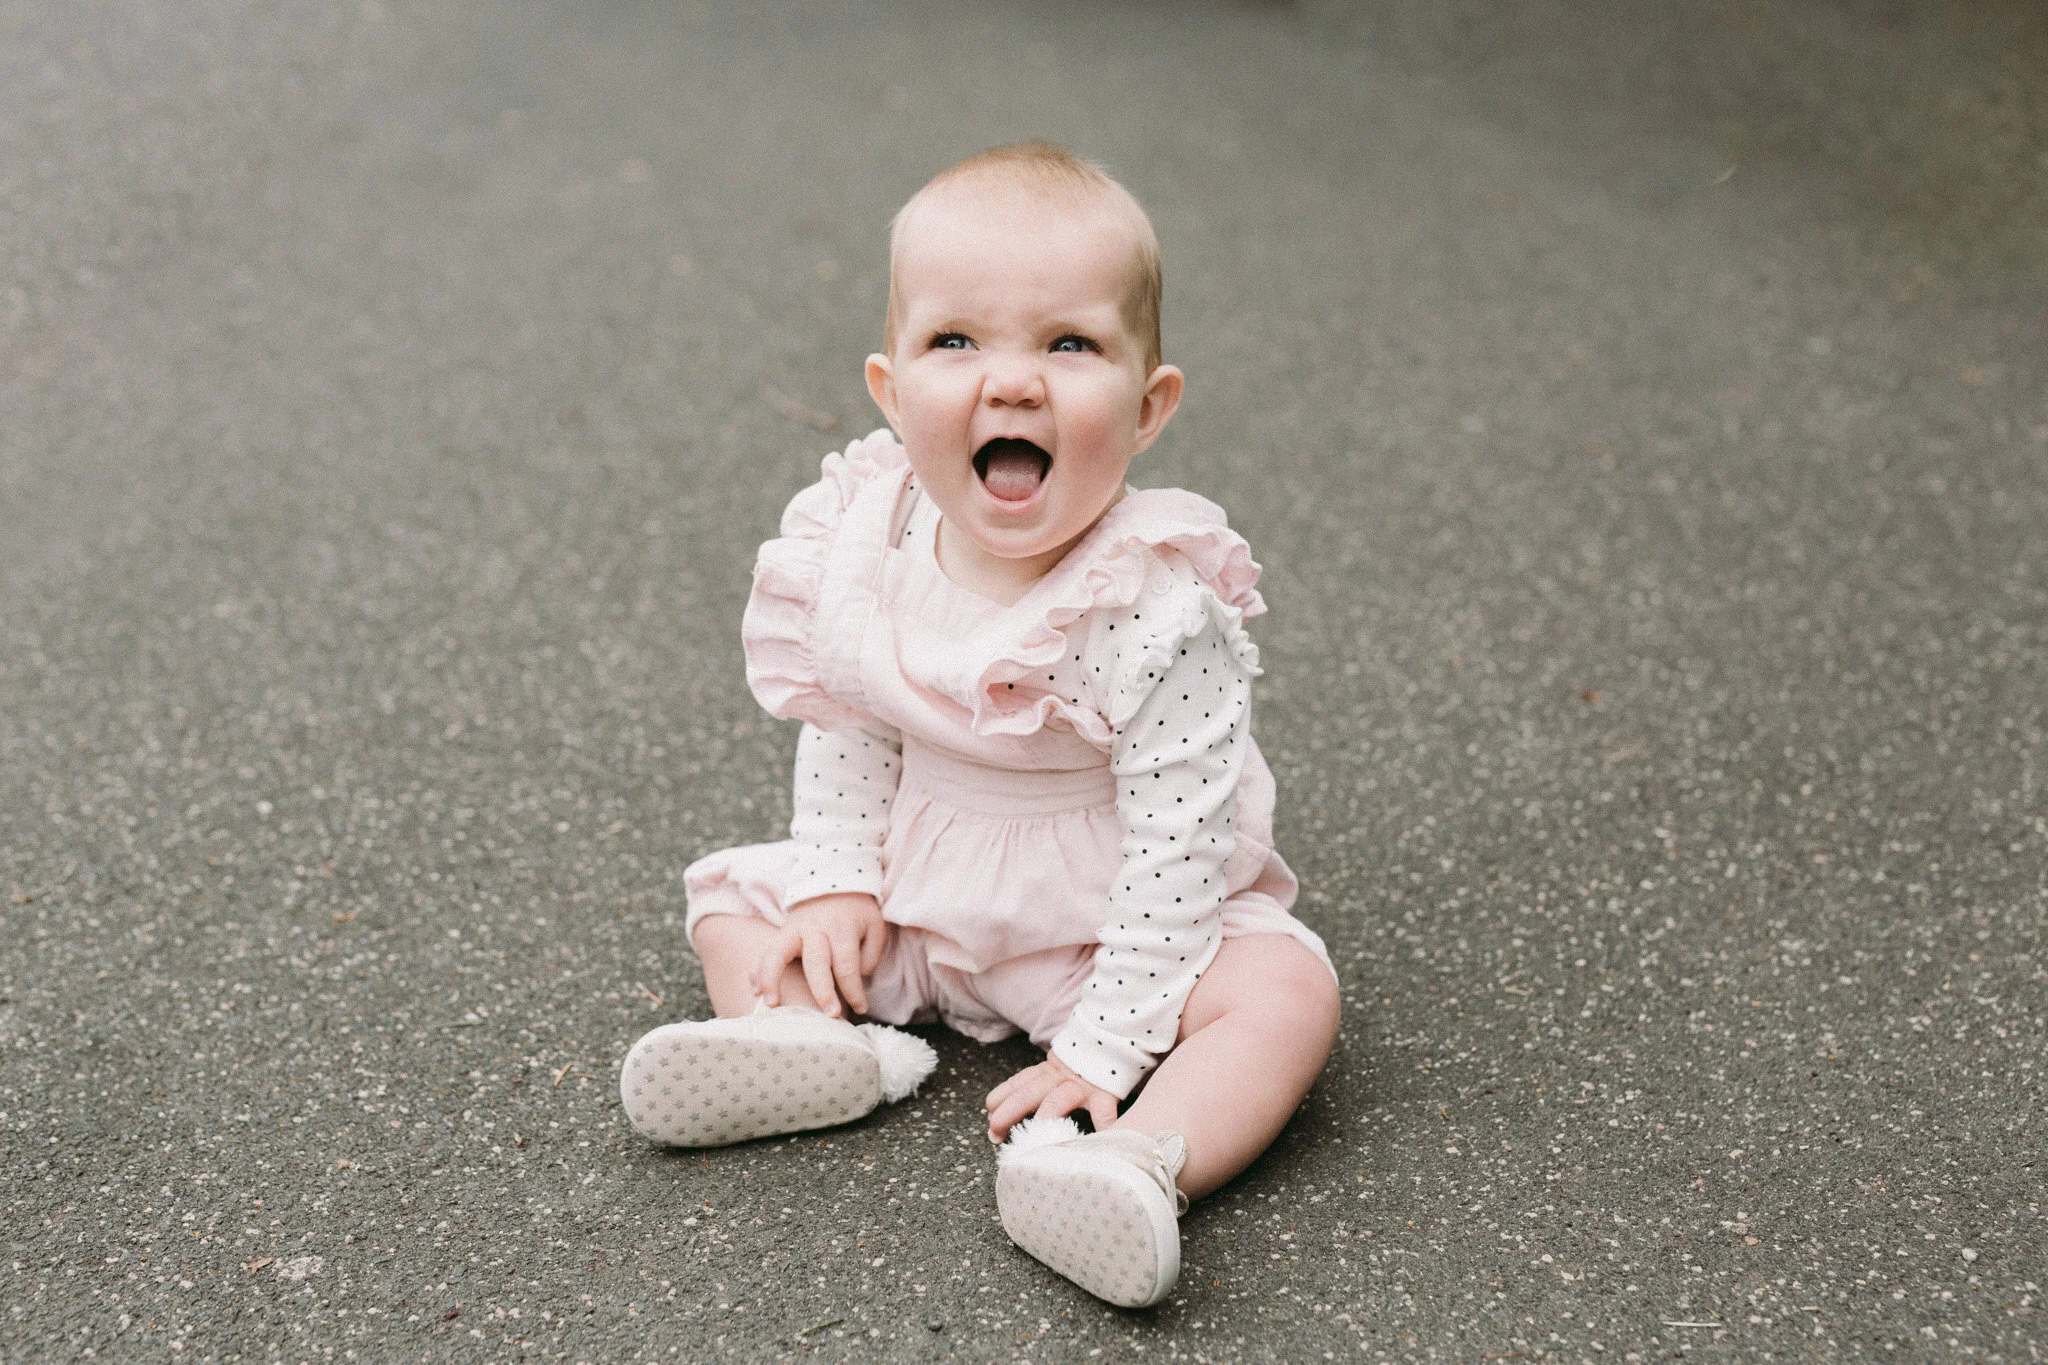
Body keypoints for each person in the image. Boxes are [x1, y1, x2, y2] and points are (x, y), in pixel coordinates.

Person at [618, 142, 1339, 1308]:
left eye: (1068, 343)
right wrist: (839, 880)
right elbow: (850, 718)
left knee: (1283, 996)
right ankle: (819, 1043)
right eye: (955, 342)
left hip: (1102, 931)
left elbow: (1178, 850)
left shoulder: (1152, 613)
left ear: (1149, 406)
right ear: (891, 390)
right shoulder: (868, 539)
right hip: (923, 888)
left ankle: (1135, 1159)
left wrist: (1103, 1047)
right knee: (738, 901)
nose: (1010, 383)